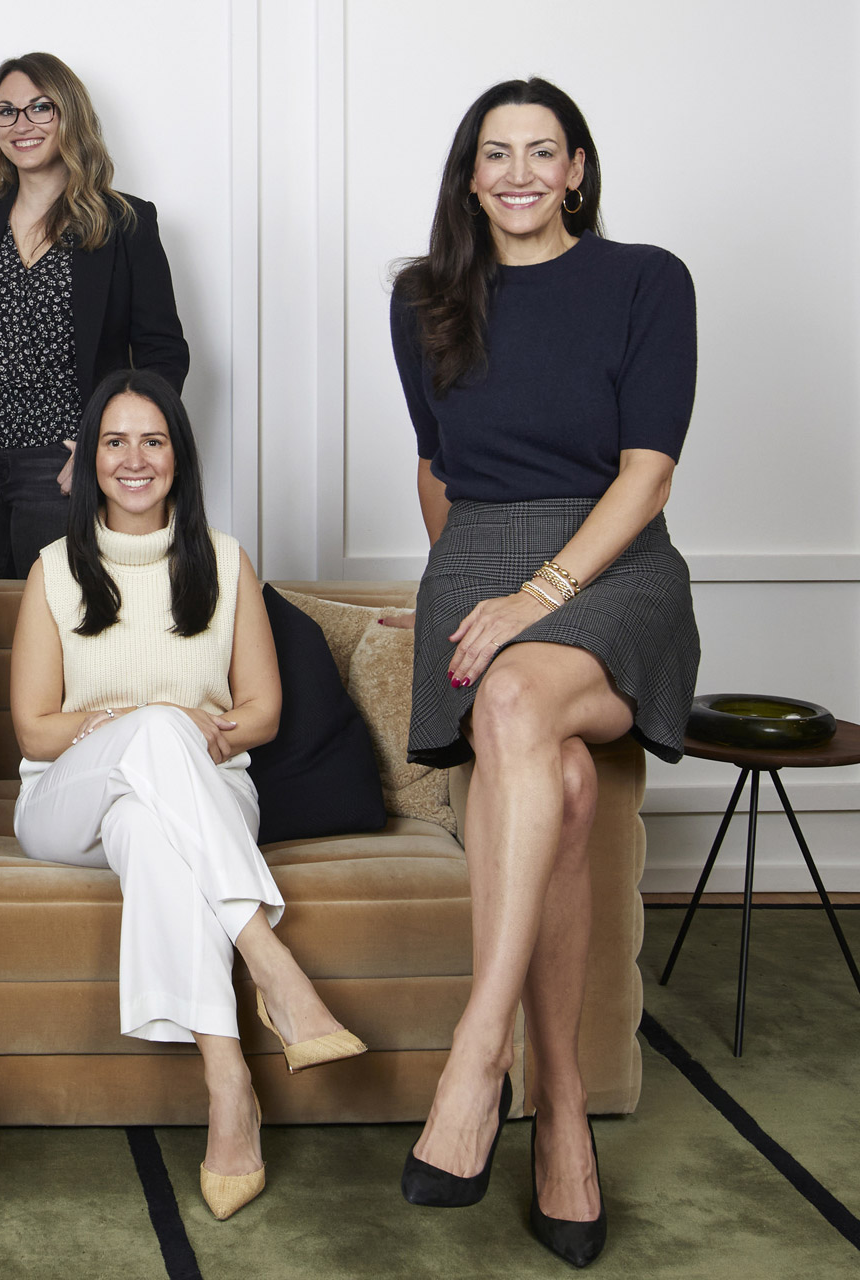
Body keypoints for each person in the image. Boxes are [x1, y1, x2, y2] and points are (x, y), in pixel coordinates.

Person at [389, 77, 699, 1269]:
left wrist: (536, 600)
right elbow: (433, 468)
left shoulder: (646, 280)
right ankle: (563, 1113)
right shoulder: (425, 299)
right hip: (478, 567)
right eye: (494, 154)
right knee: (558, 781)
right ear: (470, 175)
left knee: (521, 692)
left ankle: (478, 1056)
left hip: (611, 570)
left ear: (576, 167)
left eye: (542, 152)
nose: (518, 173)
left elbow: (648, 475)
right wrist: (467, 591)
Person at [10, 369, 366, 1222]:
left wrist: (186, 733)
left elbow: (264, 713)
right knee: (155, 742)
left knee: (151, 822)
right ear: (91, 458)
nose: (135, 460)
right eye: (115, 441)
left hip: (204, 795)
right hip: (67, 804)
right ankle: (274, 970)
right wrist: (153, 721)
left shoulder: (227, 561)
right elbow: (33, 730)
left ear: (180, 454)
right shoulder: (54, 570)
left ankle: (229, 1087)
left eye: (154, 440)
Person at [0, 51, 189, 579]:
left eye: (41, 108)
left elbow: (162, 355)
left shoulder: (125, 222)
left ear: (71, 116)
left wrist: (100, 448)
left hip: (62, 465)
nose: (23, 124)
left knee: (60, 626)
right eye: (6, 111)